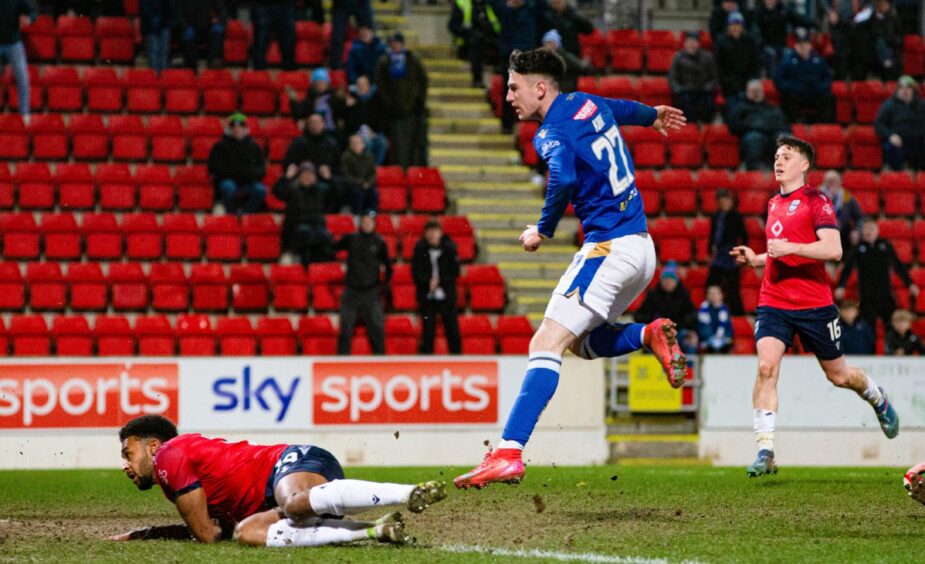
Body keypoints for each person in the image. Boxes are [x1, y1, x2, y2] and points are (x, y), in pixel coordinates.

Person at [453, 48, 688, 489]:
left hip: (609, 249)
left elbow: (563, 177)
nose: (507, 97)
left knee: (544, 341)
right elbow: (623, 110)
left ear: (540, 88)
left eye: (513, 87)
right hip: (642, 248)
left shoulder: (551, 131)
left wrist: (541, 230)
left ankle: (508, 451)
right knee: (579, 345)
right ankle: (646, 334)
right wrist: (651, 114)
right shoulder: (589, 102)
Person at [731, 135, 899, 478]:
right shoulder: (773, 203)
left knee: (839, 376)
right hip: (774, 300)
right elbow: (779, 254)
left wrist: (789, 247)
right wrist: (757, 258)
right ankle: (765, 450)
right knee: (766, 367)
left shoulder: (817, 200)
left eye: (787, 156)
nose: (779, 161)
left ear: (804, 165)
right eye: (777, 155)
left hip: (813, 305)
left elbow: (833, 250)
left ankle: (876, 395)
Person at [110, 414, 445, 546]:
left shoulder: (169, 455)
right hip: (277, 501)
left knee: (295, 503)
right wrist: (148, 534)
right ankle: (376, 530)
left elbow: (206, 536)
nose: (126, 464)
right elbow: (220, 531)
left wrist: (152, 535)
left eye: (128, 453)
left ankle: (409, 493)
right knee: (248, 533)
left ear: (153, 446)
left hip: (290, 462)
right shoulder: (178, 477)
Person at [835, 219, 918, 331]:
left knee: (891, 326)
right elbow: (847, 268)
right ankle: (869, 349)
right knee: (868, 328)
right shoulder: (858, 248)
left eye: (871, 229)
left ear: (877, 231)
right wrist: (841, 286)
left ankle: (891, 348)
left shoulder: (885, 245)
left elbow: (898, 265)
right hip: (866, 296)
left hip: (885, 294)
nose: (868, 232)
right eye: (866, 229)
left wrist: (910, 284)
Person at [336, 212, 391, 356]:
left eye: (370, 221)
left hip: (371, 293)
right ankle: (341, 365)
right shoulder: (351, 238)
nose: (367, 224)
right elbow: (334, 247)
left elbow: (388, 266)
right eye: (364, 221)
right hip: (351, 293)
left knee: (377, 331)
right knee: (345, 331)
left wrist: (382, 287)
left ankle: (380, 365)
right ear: (360, 223)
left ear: (374, 224)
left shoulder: (379, 242)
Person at [488, 0, 544, 134]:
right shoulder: (504, 10)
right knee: (510, 91)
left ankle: (529, 124)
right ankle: (507, 124)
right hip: (509, 56)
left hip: (528, 56)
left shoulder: (531, 9)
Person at [375, 33, 429, 168]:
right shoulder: (384, 62)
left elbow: (423, 81)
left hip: (413, 110)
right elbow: (381, 85)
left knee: (415, 145)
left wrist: (419, 101)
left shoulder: (413, 59)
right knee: (399, 148)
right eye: (392, 43)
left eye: (397, 43)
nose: (395, 46)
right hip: (395, 112)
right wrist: (389, 104)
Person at [412, 219, 462, 355]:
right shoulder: (420, 249)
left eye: (435, 231)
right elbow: (416, 272)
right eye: (429, 231)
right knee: (427, 332)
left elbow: (455, 272)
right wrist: (427, 282)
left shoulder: (450, 249)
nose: (432, 235)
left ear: (440, 233)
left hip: (447, 297)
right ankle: (427, 363)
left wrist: (440, 281)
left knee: (452, 331)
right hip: (427, 298)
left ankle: (457, 361)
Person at [272, 161, 334, 267]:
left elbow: (338, 193)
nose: (307, 177)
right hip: (297, 228)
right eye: (304, 175)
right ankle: (305, 265)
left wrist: (329, 179)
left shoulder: (321, 190)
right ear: (299, 176)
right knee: (305, 233)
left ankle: (323, 267)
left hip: (317, 226)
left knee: (325, 236)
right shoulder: (293, 189)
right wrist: (287, 177)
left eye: (310, 175)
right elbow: (277, 191)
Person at [207, 113, 267, 215]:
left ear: (245, 129)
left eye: (240, 127)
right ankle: (232, 214)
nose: (237, 130)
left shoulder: (254, 147)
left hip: (249, 182)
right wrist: (233, 174)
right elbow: (214, 168)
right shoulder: (220, 146)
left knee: (260, 190)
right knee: (227, 187)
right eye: (235, 127)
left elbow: (261, 169)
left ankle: (245, 214)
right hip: (229, 181)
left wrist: (251, 175)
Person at [634, 262, 699, 354]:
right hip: (657, 333)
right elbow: (639, 315)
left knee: (689, 341)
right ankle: (653, 368)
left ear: (676, 281)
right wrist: (654, 323)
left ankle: (686, 368)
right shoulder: (653, 296)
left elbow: (692, 316)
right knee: (648, 344)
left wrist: (680, 326)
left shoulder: (683, 295)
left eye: (671, 280)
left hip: (678, 332)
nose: (668, 282)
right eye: (665, 279)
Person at [773, 29, 835, 124]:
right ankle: (793, 125)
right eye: (800, 45)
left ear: (810, 46)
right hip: (796, 94)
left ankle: (825, 126)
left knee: (829, 98)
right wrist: (792, 87)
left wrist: (820, 87)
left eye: (805, 44)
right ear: (795, 46)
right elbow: (778, 79)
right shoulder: (787, 61)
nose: (803, 47)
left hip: (814, 93)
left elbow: (828, 78)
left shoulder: (818, 60)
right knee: (788, 98)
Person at [282, 113, 342, 211]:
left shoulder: (331, 144)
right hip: (301, 179)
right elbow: (289, 164)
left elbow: (338, 166)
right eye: (312, 123)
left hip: (324, 179)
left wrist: (329, 175)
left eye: (318, 123)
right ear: (307, 125)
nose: (315, 126)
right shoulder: (298, 143)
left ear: (323, 124)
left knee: (336, 186)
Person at [729, 79, 791, 171]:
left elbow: (785, 124)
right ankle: (755, 170)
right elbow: (734, 126)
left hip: (773, 134)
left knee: (784, 138)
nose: (756, 93)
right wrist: (753, 126)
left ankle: (786, 170)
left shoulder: (772, 108)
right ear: (747, 92)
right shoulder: (740, 108)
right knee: (754, 138)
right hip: (752, 136)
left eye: (758, 91)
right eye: (753, 91)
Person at [707, 189, 748, 316]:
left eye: (726, 200)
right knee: (712, 283)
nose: (724, 203)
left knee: (733, 287)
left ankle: (738, 315)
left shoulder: (737, 217)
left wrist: (740, 256)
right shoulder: (715, 216)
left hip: (732, 253)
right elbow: (712, 236)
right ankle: (711, 311)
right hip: (719, 254)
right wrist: (710, 253)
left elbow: (744, 238)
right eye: (721, 200)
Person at [748, 0, 816, 74]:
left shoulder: (783, 10)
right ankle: (772, 78)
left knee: (788, 53)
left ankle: (789, 78)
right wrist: (761, 43)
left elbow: (798, 19)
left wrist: (814, 23)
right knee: (771, 54)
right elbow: (755, 30)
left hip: (781, 44)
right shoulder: (758, 11)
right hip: (766, 45)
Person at [874, 75, 925, 171]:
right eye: (901, 88)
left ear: (913, 90)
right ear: (897, 90)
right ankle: (897, 173)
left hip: (918, 139)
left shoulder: (922, 105)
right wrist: (890, 135)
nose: (904, 91)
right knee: (891, 145)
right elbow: (878, 125)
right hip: (898, 139)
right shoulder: (888, 105)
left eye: (908, 88)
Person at [668, 31, 718, 124]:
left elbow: (715, 77)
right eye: (689, 42)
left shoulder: (708, 57)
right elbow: (672, 77)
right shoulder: (678, 57)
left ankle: (706, 126)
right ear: (685, 44)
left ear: (699, 44)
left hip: (703, 90)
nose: (691, 45)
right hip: (685, 90)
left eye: (694, 42)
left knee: (708, 101)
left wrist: (708, 87)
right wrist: (678, 89)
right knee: (684, 101)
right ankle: (691, 126)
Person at [449, 0, 500, 89]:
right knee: (476, 42)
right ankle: (477, 80)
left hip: (488, 40)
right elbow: (453, 25)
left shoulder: (490, 4)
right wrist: (469, 32)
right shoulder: (462, 3)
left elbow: (496, 26)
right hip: (466, 43)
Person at [715, 11, 761, 106]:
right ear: (728, 26)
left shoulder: (750, 41)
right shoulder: (721, 41)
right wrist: (726, 82)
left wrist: (751, 80)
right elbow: (719, 65)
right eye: (732, 25)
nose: (735, 27)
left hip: (747, 83)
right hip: (729, 85)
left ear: (742, 26)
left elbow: (755, 63)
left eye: (738, 25)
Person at [1, 0, 35, 123]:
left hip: (13, 43)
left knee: (23, 78)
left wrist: (29, 19)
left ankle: (24, 113)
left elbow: (32, 12)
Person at [343, 76, 389, 165]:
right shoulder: (351, 100)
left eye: (364, 84)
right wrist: (350, 108)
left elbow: (382, 119)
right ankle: (366, 168)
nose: (361, 87)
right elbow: (348, 123)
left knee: (382, 142)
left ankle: (375, 168)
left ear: (368, 86)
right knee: (366, 142)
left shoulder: (376, 100)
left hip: (374, 132)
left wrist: (374, 132)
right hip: (356, 133)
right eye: (359, 85)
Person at [818, 170, 863, 255]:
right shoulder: (816, 196)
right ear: (825, 183)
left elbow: (859, 217)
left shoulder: (847, 197)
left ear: (840, 182)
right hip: (822, 233)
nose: (833, 184)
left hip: (843, 234)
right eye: (830, 182)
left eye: (835, 181)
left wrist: (857, 231)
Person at [857, 0, 903, 81]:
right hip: (873, 56)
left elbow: (900, 38)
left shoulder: (894, 19)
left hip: (892, 52)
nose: (881, 5)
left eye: (883, 3)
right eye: (878, 3)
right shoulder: (870, 20)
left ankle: (887, 61)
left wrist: (891, 41)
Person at [288, 68, 344, 133]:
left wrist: (342, 100)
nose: (320, 85)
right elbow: (299, 114)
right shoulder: (309, 99)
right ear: (313, 84)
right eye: (317, 82)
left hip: (333, 132)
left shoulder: (334, 98)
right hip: (313, 133)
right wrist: (293, 100)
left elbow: (342, 113)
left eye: (322, 82)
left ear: (327, 84)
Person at [177, 0, 226, 69]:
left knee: (218, 32)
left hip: (208, 28)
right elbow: (179, 15)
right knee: (187, 38)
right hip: (190, 27)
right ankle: (192, 68)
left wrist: (219, 21)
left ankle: (212, 65)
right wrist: (185, 26)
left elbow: (222, 12)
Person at [329, 0, 373, 70]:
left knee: (368, 35)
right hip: (341, 4)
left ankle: (369, 67)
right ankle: (336, 69)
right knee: (337, 39)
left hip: (361, 3)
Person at [252, 0, 296, 70]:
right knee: (260, 48)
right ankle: (258, 78)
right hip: (262, 6)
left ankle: (290, 79)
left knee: (289, 47)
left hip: (285, 6)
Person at [341, 133, 378, 215]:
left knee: (374, 193)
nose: (356, 145)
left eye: (358, 143)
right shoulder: (346, 157)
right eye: (353, 143)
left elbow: (373, 173)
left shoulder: (369, 156)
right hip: (354, 185)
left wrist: (369, 182)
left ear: (363, 144)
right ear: (350, 145)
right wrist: (361, 183)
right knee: (357, 194)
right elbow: (346, 175)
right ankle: (357, 215)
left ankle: (372, 215)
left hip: (367, 184)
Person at [140, 0, 176, 74]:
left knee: (164, 51)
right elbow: (144, 7)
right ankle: (155, 76)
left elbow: (171, 7)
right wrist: (153, 21)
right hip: (150, 25)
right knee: (154, 50)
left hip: (165, 24)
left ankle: (163, 75)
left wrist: (162, 21)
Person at [698, 285, 734, 354]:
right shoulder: (703, 310)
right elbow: (703, 329)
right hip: (708, 341)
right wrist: (711, 339)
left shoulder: (725, 310)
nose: (713, 296)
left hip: (723, 341)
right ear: (707, 296)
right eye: (711, 293)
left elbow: (729, 329)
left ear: (721, 295)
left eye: (715, 293)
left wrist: (725, 338)